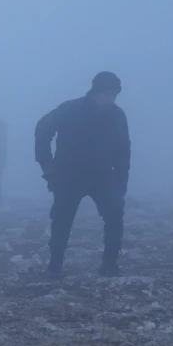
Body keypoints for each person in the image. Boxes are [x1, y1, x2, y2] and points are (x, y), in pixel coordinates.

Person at [34, 71, 131, 279]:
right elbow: (42, 129)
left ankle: (109, 264)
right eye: (106, 94)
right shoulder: (70, 109)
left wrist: (121, 183)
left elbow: (124, 150)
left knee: (114, 216)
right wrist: (48, 168)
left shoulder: (117, 115)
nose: (110, 99)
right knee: (61, 219)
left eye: (114, 95)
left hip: (103, 177)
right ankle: (55, 266)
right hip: (69, 176)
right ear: (94, 92)